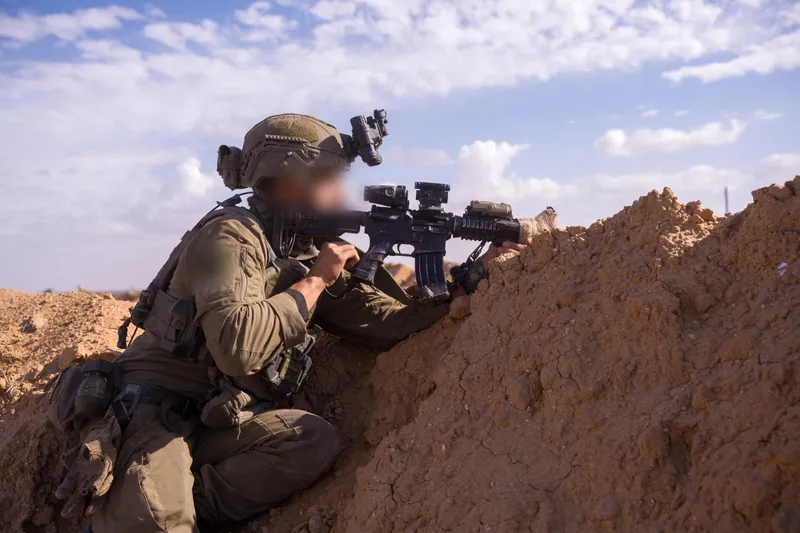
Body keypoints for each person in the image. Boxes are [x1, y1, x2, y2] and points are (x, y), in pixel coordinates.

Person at [56, 113, 527, 532]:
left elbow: (383, 323)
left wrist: (462, 291)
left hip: (217, 413)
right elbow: (237, 348)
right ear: (286, 180)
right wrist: (316, 281)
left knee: (310, 441)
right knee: (157, 523)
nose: (340, 193)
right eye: (328, 178)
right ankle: (151, 502)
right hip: (153, 405)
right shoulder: (228, 238)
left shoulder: (301, 246)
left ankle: (182, 500)